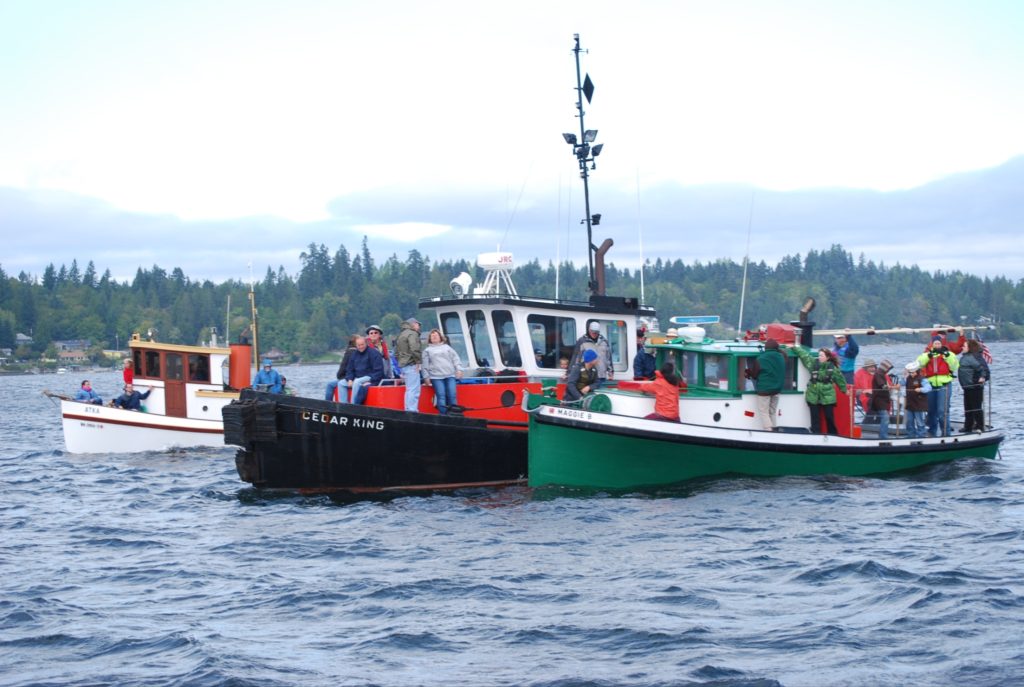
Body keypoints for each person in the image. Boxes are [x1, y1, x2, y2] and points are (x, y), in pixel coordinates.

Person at [789, 345, 847, 435]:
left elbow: (840, 380)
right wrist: (795, 347)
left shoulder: (834, 369)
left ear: (827, 357)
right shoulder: (813, 364)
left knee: (829, 417)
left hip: (828, 395)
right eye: (819, 355)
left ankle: (833, 435)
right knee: (815, 418)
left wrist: (845, 390)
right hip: (813, 394)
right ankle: (816, 435)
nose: (819, 357)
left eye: (821, 355)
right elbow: (805, 356)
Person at [915, 336, 959, 437]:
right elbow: (919, 364)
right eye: (935, 343)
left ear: (942, 344)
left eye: (939, 343)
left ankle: (945, 433)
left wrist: (947, 355)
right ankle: (932, 431)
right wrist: (929, 355)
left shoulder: (948, 354)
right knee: (931, 410)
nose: (937, 345)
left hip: (944, 385)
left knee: (942, 410)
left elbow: (954, 366)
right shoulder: (926, 355)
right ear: (932, 344)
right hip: (930, 385)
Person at [746, 338, 786, 431]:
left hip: (764, 390)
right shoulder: (782, 357)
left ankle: (768, 431)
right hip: (777, 390)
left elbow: (755, 376)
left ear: (766, 348)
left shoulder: (761, 358)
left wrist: (748, 372)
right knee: (772, 411)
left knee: (764, 412)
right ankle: (774, 429)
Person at [422, 328, 463, 414]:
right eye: (432, 336)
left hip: (450, 375)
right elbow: (424, 365)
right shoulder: (427, 350)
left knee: (452, 395)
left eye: (436, 335)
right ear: (429, 339)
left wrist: (459, 369)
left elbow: (456, 359)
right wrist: (426, 377)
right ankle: (443, 416)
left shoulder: (447, 348)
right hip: (436, 377)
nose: (434, 337)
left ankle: (455, 414)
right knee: (441, 396)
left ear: (440, 337)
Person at [958, 339, 991, 432]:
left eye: (964, 346)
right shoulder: (965, 357)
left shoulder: (975, 357)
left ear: (969, 347)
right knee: (968, 408)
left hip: (975, 386)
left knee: (976, 408)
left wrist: (982, 377)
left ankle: (980, 426)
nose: (962, 348)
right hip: (967, 387)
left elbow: (983, 369)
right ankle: (968, 426)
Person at [343, 335, 384, 404]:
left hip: (370, 376)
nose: (361, 347)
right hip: (358, 377)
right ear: (356, 345)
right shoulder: (354, 354)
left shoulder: (374, 353)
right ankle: (343, 405)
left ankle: (353, 406)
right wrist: (349, 379)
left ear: (366, 343)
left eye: (362, 344)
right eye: (358, 345)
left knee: (356, 382)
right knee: (341, 383)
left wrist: (371, 380)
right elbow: (349, 369)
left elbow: (379, 371)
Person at [569, 321, 613, 386]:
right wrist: (570, 372)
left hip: (601, 375)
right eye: (592, 331)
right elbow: (576, 358)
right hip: (586, 375)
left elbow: (608, 358)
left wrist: (610, 371)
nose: (594, 334)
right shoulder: (582, 341)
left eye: (596, 332)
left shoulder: (604, 341)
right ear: (589, 330)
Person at [396, 317, 423, 412]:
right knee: (414, 390)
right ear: (414, 324)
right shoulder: (412, 333)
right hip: (412, 364)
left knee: (408, 389)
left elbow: (396, 352)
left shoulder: (401, 334)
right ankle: (412, 410)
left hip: (403, 365)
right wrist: (418, 362)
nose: (419, 327)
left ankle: (408, 409)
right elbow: (414, 349)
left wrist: (400, 362)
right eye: (418, 324)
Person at [869, 359, 896, 439]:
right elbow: (883, 386)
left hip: (882, 400)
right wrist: (893, 387)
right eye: (888, 369)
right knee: (885, 418)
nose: (888, 370)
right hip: (879, 400)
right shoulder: (878, 374)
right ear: (885, 368)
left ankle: (883, 435)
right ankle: (883, 436)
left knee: (884, 418)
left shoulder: (880, 374)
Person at [325, 336, 358, 401]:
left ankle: (327, 405)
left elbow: (344, 368)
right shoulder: (355, 352)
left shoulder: (349, 352)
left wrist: (341, 377)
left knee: (330, 385)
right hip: (350, 377)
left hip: (348, 377)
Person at [903, 361, 931, 439]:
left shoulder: (922, 379)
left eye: (912, 372)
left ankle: (921, 435)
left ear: (916, 371)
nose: (911, 374)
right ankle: (910, 435)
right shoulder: (907, 379)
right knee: (909, 421)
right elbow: (902, 382)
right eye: (910, 373)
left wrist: (921, 389)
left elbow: (928, 388)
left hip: (919, 404)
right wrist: (904, 376)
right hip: (910, 404)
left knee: (919, 421)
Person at [852, 358, 877, 422]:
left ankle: (878, 420)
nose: (873, 369)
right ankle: (867, 422)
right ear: (866, 368)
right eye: (870, 367)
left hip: (876, 395)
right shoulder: (859, 374)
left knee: (882, 401)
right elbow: (856, 390)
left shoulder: (877, 373)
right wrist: (865, 391)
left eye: (874, 367)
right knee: (874, 402)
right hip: (862, 396)